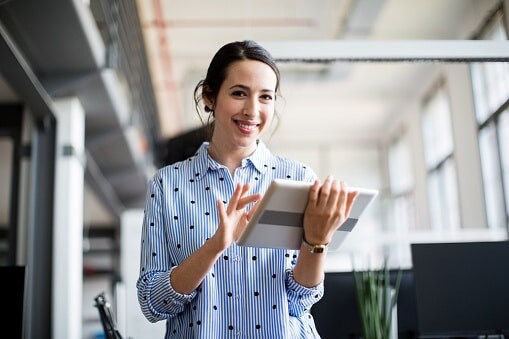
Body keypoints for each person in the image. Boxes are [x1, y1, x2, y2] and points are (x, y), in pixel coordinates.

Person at [136, 40, 358, 338]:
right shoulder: (167, 185)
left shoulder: (298, 178)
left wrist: (317, 243)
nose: (253, 110)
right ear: (209, 97)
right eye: (239, 93)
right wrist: (214, 247)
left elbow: (300, 301)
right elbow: (152, 303)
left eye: (265, 97)